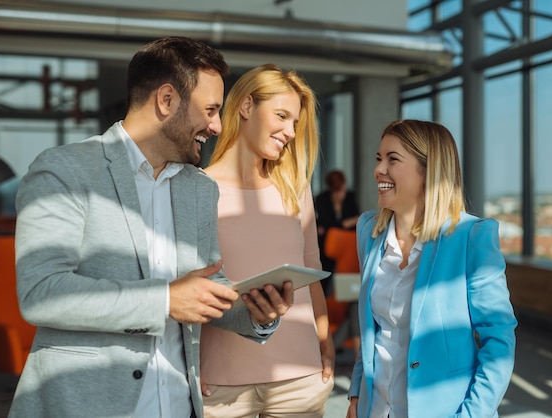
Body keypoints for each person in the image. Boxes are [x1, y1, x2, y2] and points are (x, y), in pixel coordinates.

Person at [8, 37, 293, 418]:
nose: (217, 126)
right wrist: (165, 300)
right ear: (166, 100)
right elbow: (42, 292)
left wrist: (255, 313)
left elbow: (207, 286)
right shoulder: (65, 170)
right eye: (210, 110)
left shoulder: (200, 189)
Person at [347, 120, 517, 418]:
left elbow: (499, 343)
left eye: (392, 159)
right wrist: (355, 396)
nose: (378, 170)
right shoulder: (369, 231)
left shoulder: (471, 237)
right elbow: (371, 330)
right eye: (378, 158)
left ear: (429, 170)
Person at [199, 63, 335, 417]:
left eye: (295, 122)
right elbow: (184, 284)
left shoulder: (295, 189)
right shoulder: (194, 189)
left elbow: (313, 275)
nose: (290, 131)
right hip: (219, 382)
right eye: (282, 115)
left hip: (300, 378)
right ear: (246, 107)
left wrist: (326, 347)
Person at [314, 169, 360, 296]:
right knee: (325, 276)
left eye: (343, 189)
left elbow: (357, 218)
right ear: (331, 190)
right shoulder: (322, 199)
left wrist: (335, 226)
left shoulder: (350, 196)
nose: (342, 194)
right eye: (338, 191)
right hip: (327, 244)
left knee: (347, 278)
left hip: (347, 244)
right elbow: (326, 223)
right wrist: (345, 223)